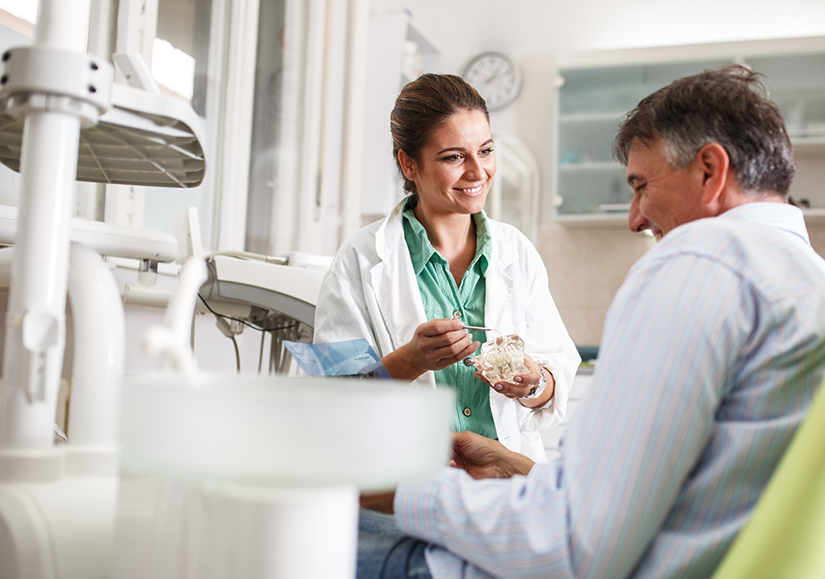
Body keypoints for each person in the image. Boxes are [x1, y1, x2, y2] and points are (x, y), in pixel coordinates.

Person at [355, 64, 825, 579]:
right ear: (410, 164)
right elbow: (684, 493)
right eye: (453, 156)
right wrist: (520, 468)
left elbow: (572, 546)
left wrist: (412, 490)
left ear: (710, 172)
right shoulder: (806, 277)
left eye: (642, 184)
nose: (635, 218)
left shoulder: (702, 263)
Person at [314, 74, 580, 462]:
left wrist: (533, 381)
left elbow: (557, 377)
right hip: (405, 489)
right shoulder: (359, 259)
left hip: (504, 491)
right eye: (454, 157)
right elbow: (331, 401)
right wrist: (411, 359)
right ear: (409, 164)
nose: (478, 171)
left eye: (486, 150)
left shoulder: (516, 253)